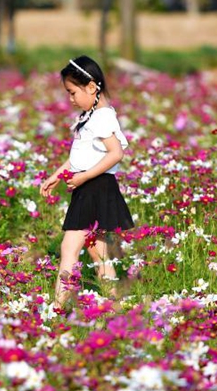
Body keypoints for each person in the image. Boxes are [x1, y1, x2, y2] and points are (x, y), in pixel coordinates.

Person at [40, 55, 134, 310]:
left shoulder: (102, 117)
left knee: (69, 247)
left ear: (92, 87)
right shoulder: (90, 116)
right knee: (96, 250)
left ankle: (57, 308)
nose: (70, 99)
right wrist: (55, 177)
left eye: (72, 92)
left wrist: (85, 177)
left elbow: (116, 153)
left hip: (95, 187)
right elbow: (78, 158)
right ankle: (113, 302)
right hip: (91, 186)